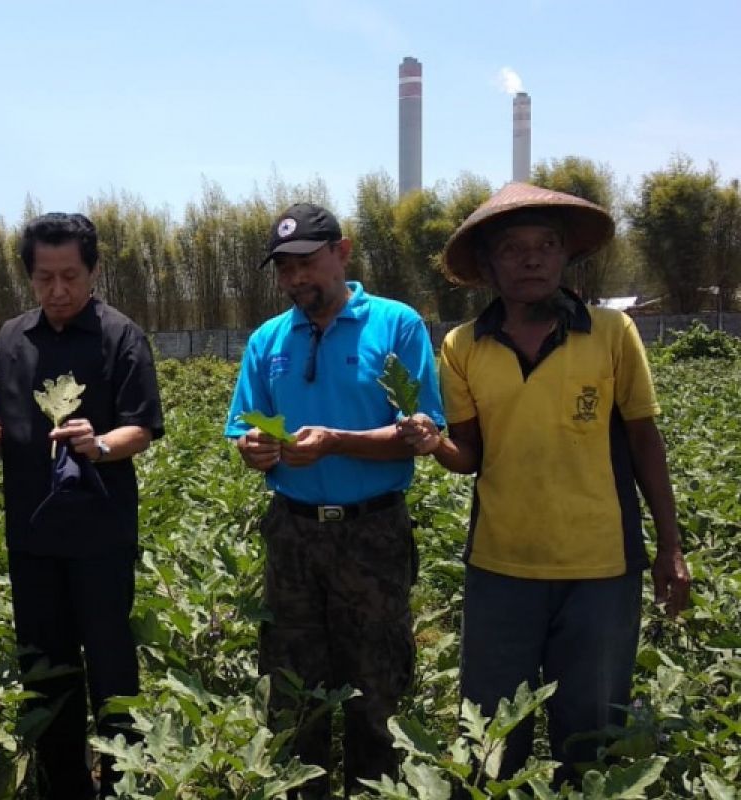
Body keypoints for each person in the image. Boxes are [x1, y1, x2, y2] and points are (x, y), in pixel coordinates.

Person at [397, 183, 692, 784]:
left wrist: (670, 546)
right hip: (501, 565)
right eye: (513, 248)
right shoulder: (461, 346)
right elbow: (470, 456)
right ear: (487, 265)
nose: (531, 259)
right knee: (489, 735)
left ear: (565, 257)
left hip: (601, 567)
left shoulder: (612, 332)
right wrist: (434, 445)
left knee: (588, 733)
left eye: (546, 245)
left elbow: (644, 442)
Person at [224, 203, 444, 797]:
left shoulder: (397, 325)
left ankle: (375, 788)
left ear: (342, 253)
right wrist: (257, 449)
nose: (296, 279)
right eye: (284, 269)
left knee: (377, 687)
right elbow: (244, 428)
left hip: (371, 534)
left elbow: (418, 432)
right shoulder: (268, 338)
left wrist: (335, 443)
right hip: (291, 535)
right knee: (293, 688)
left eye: (308, 263)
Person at [0, 212, 164, 799]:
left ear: (92, 270)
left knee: (111, 662)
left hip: (101, 535)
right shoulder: (14, 337)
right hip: (32, 535)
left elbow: (141, 427)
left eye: (70, 276)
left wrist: (100, 445)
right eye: (45, 278)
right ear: (30, 277)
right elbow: (2, 414)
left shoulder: (121, 336)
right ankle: (62, 784)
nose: (58, 291)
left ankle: (124, 783)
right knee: (44, 666)